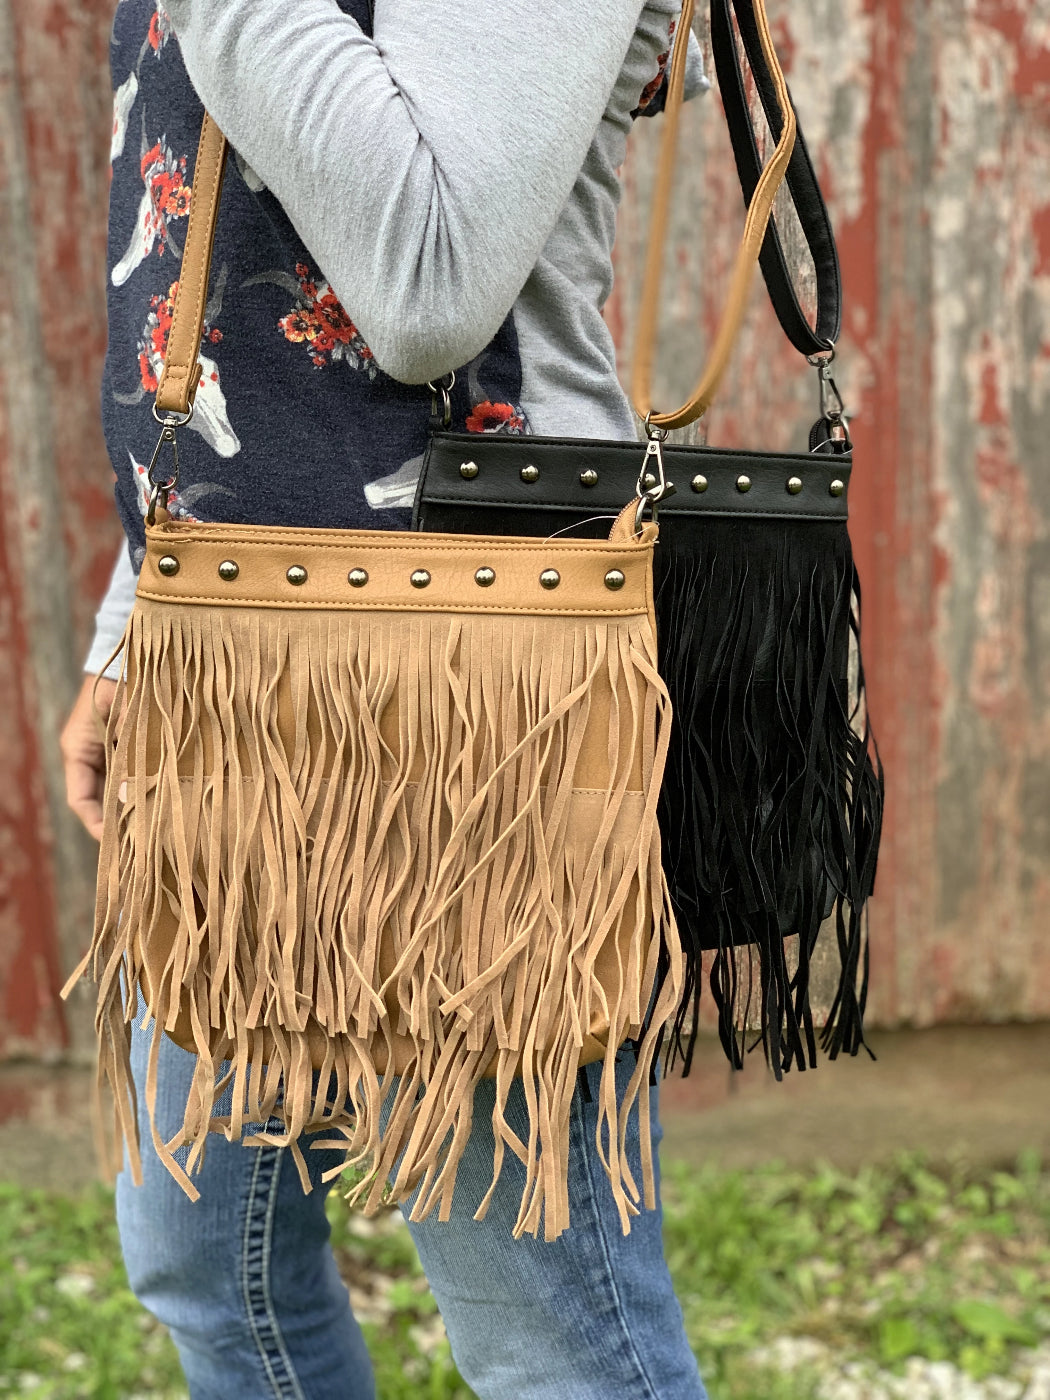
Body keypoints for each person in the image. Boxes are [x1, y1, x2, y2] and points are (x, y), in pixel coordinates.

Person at [61, 2, 711, 1395]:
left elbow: (425, 291)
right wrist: (135, 622)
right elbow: (209, 287)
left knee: (543, 1315)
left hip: (476, 678)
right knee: (202, 1262)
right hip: (228, 648)